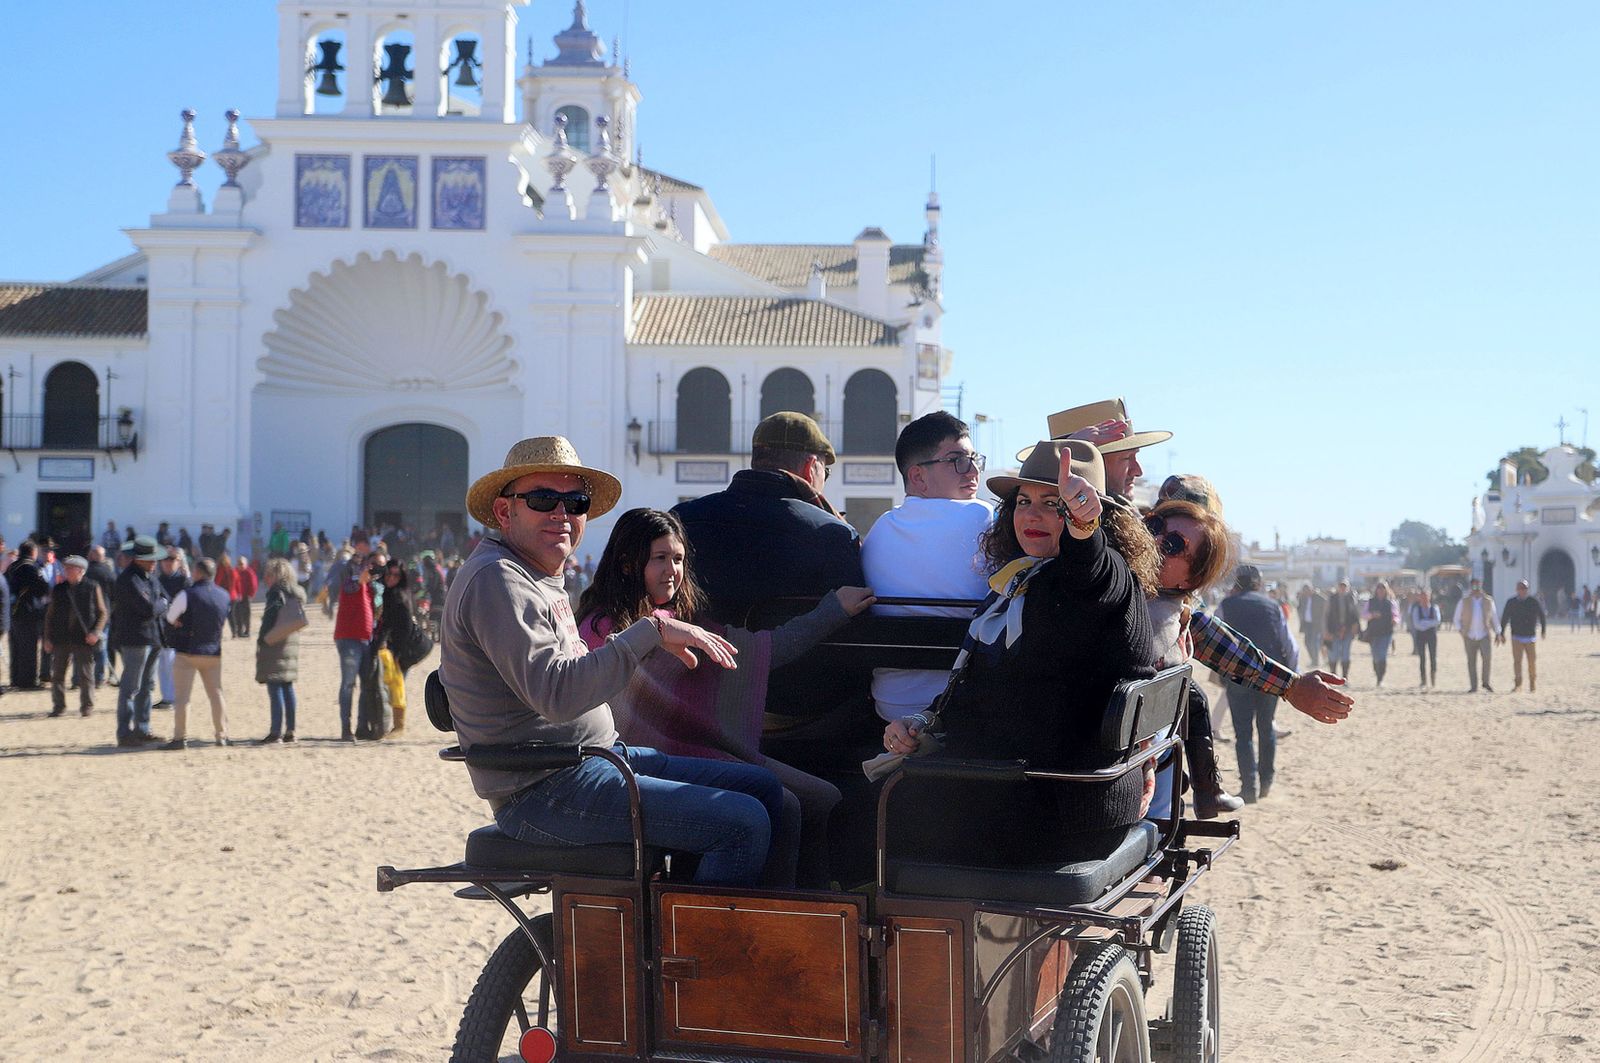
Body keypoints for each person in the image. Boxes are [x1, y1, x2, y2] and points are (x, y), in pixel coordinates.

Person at [443, 436, 789, 888]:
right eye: (543, 499)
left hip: (595, 760)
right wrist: (651, 631)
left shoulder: (534, 574)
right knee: (743, 822)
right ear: (505, 512)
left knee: (764, 789)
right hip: (545, 790)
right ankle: (699, 935)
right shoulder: (498, 578)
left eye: (575, 502)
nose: (561, 513)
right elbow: (558, 695)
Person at [881, 440, 1161, 867]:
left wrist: (1083, 527)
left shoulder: (1104, 578)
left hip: (1064, 803)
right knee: (874, 803)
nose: (1031, 515)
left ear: (1094, 517)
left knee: (878, 815)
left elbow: (1091, 571)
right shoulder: (1018, 582)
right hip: (1023, 783)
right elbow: (979, 684)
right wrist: (922, 721)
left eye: (1054, 504)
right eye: (1024, 501)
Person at [578, 507, 876, 887]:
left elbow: (762, 650)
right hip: (639, 768)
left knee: (823, 796)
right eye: (659, 558)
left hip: (695, 754)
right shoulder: (602, 628)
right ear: (626, 563)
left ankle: (811, 902)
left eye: (678, 559)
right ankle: (770, 907)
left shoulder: (680, 620)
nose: (672, 570)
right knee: (785, 804)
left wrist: (834, 610)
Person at [860, 411, 994, 723]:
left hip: (890, 707)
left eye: (974, 459)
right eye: (957, 460)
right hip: (964, 708)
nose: (973, 470)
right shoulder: (985, 518)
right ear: (918, 477)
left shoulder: (879, 530)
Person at [673, 412, 864, 626]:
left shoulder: (682, 520)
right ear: (810, 468)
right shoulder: (834, 535)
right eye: (825, 473)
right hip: (801, 648)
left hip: (692, 647)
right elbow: (855, 622)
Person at [1139, 495, 1244, 818]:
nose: (1156, 541)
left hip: (1136, 733)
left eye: (1172, 545)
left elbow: (1234, 652)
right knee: (1191, 698)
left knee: (1191, 698)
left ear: (1191, 581)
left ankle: (1204, 788)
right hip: (1132, 733)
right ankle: (1206, 788)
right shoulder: (1120, 576)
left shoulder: (1161, 610)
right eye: (1153, 526)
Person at [1217, 565, 1297, 803]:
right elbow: (1290, 646)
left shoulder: (1226, 605)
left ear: (1237, 583)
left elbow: (1217, 639)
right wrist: (1292, 677)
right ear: (1259, 583)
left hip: (1237, 676)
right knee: (1266, 728)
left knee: (1243, 734)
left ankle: (1249, 787)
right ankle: (1266, 782)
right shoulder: (1273, 606)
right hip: (1270, 676)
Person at [163, 558, 232, 749]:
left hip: (188, 651)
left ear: (198, 573)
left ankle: (180, 737)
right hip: (213, 651)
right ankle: (222, 735)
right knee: (216, 694)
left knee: (182, 697)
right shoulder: (224, 595)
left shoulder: (187, 594)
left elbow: (170, 617)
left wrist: (179, 623)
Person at [110, 536, 168, 747]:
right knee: (131, 687)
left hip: (153, 637)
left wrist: (160, 603)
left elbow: (165, 598)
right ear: (138, 559)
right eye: (150, 559)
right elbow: (150, 608)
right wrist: (161, 604)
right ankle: (125, 732)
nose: (154, 563)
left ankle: (142, 728)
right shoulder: (129, 580)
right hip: (135, 639)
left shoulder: (149, 577)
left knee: (147, 686)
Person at [43, 555, 106, 718]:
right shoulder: (59, 589)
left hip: (83, 638)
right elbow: (50, 615)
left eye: (71, 568)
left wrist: (95, 632)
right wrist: (47, 638)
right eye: (66, 568)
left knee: (86, 674)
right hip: (61, 637)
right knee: (57, 674)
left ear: (81, 571)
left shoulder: (92, 587)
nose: (67, 570)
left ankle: (87, 706)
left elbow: (102, 613)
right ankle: (58, 706)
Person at [371, 557, 425, 735]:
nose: (391, 577)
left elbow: (405, 626)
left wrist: (397, 653)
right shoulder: (391, 592)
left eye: (396, 575)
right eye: (389, 573)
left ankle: (398, 726)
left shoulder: (399, 595)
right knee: (395, 685)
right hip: (396, 646)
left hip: (403, 648)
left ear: (401, 577)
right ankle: (394, 725)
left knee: (396, 686)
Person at [332, 542, 378, 741]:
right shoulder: (350, 582)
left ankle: (361, 726)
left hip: (365, 639)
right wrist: (361, 578)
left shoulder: (368, 587)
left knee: (366, 684)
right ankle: (346, 728)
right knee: (349, 684)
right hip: (349, 638)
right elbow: (351, 586)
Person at [256, 557, 304, 743]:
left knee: (275, 686)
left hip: (275, 643)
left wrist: (262, 639)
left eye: (268, 575)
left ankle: (275, 731)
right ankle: (290, 730)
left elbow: (270, 619)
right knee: (287, 686)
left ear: (276, 575)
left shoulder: (276, 593)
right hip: (290, 643)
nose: (266, 578)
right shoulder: (296, 593)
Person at [6, 541, 52, 689]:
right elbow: (43, 587)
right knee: (28, 648)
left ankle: (15, 678)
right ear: (33, 552)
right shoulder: (31, 567)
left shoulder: (12, 566)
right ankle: (28, 681)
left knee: (15, 647)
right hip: (28, 612)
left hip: (13, 612)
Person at [155, 546, 191, 707]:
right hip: (161, 627)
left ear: (179, 561)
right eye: (164, 559)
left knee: (173, 664)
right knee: (163, 664)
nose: (167, 562)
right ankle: (167, 697)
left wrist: (179, 617)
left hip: (178, 629)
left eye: (171, 559)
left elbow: (189, 604)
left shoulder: (184, 581)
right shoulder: (157, 580)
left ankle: (175, 697)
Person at [1500, 578, 1547, 692]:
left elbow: (1542, 615)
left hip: (1530, 637)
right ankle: (1518, 684)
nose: (1523, 590)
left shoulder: (1533, 601)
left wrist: (1543, 630)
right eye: (1520, 588)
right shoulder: (1511, 602)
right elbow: (1505, 617)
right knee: (1517, 662)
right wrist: (1502, 632)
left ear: (1528, 589)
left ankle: (1532, 683)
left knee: (1531, 662)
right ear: (1517, 589)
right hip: (1516, 636)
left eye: (1525, 588)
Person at [1454, 578, 1498, 692]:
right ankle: (1473, 686)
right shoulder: (1464, 601)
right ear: (1471, 586)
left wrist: (1498, 632)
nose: (1476, 588)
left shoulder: (1488, 600)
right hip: (1469, 635)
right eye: (1474, 585)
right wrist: (1461, 631)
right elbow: (1456, 618)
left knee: (1487, 658)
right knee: (1471, 661)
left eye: (1478, 585)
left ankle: (1485, 682)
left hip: (1484, 634)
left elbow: (1494, 617)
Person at [84, 546, 118, 688]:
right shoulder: (109, 573)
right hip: (104, 615)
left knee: (82, 646)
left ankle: (79, 677)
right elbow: (115, 596)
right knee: (102, 647)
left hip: (86, 613)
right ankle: (99, 677)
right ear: (102, 557)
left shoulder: (85, 571)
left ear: (91, 556)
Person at [1362, 581, 1400, 687]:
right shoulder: (1370, 602)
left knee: (1382, 655)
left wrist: (1395, 620)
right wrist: (1372, 615)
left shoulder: (1390, 602)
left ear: (1386, 590)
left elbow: (1396, 615)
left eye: (1383, 588)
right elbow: (1364, 615)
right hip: (1373, 632)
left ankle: (1380, 678)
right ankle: (1377, 671)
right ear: (1376, 590)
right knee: (1375, 655)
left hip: (1386, 632)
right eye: (1379, 588)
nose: (1381, 590)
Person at [1325, 579, 1361, 679]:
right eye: (1341, 586)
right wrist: (1326, 630)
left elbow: (1355, 614)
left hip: (1348, 630)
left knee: (1346, 654)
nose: (1342, 588)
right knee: (1333, 654)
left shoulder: (1351, 598)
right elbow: (1327, 615)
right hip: (1333, 631)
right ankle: (1333, 676)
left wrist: (1355, 626)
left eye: (1344, 586)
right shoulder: (1332, 598)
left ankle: (1345, 677)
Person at [1409, 589, 1441, 687]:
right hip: (1420, 635)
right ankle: (1423, 680)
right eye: (1422, 597)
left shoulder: (1434, 608)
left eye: (1426, 596)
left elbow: (1437, 621)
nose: (1424, 599)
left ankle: (1433, 678)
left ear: (1429, 597)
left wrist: (1424, 623)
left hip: (1432, 635)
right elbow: (1416, 624)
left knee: (1433, 656)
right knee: (1422, 657)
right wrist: (1429, 623)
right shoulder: (1416, 609)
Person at [1296, 584, 1327, 669]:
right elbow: (1299, 608)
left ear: (1311, 590)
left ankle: (1315, 661)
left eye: (1308, 590)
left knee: (1314, 643)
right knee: (1307, 642)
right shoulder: (1302, 598)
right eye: (1304, 591)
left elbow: (1326, 604)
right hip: (1307, 624)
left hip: (1316, 624)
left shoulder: (1318, 598)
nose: (1306, 592)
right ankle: (1313, 659)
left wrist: (1323, 619)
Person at [230, 555, 258, 638]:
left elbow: (253, 585)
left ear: (246, 564)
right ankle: (239, 631)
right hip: (237, 596)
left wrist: (250, 595)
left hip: (246, 596)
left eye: (242, 564)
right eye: (239, 564)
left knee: (246, 615)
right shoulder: (235, 572)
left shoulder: (249, 572)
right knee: (237, 614)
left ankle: (247, 630)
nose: (240, 566)